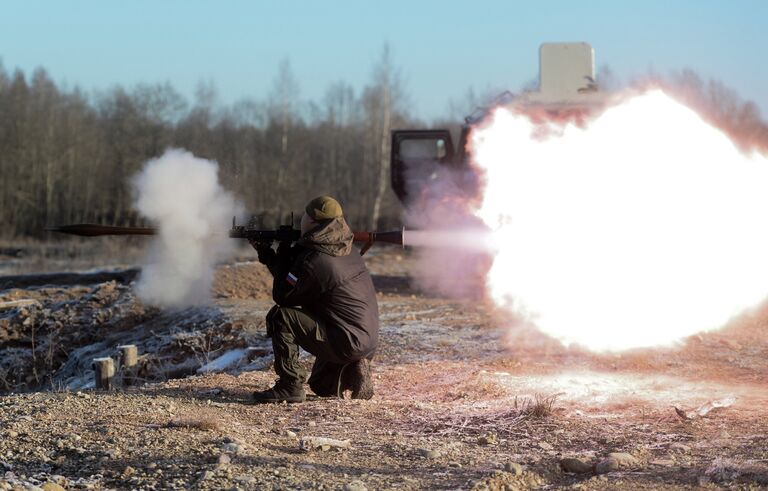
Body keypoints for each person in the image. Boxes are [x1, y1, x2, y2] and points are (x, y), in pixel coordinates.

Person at [250, 196, 379, 403]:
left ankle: (289, 385)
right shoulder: (344, 247)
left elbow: (284, 296)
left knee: (281, 317)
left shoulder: (315, 260)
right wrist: (270, 255)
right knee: (321, 386)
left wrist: (281, 252)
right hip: (363, 339)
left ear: (312, 222)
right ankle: (355, 367)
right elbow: (298, 280)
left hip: (345, 338)